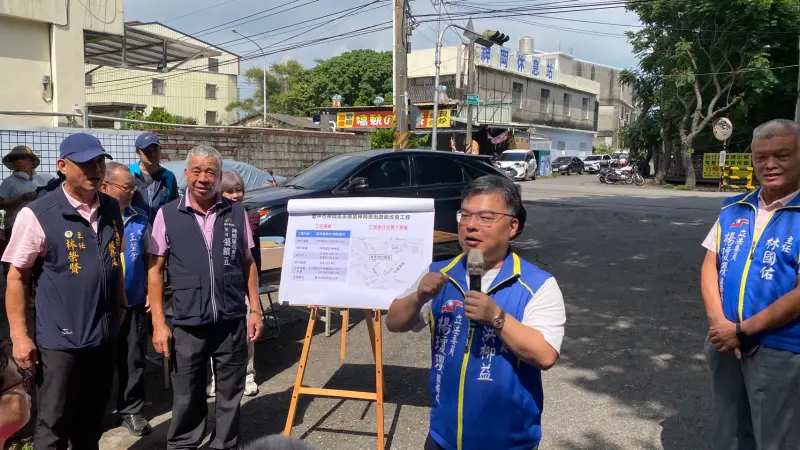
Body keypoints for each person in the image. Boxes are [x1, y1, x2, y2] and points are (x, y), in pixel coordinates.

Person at [385, 175, 566, 450]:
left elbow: (545, 354)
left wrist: (497, 318)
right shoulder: (439, 274)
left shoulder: (536, 284)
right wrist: (419, 296)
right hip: (442, 436)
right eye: (465, 215)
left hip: (509, 442)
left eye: (485, 217)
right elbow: (394, 322)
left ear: (512, 226)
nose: (470, 226)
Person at [3, 133, 126, 449]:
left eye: (99, 161)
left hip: (104, 335)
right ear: (62, 166)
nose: (94, 169)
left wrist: (121, 305)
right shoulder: (39, 214)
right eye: (85, 163)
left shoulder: (111, 208)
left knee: (92, 420)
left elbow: (114, 261)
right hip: (61, 341)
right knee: (54, 423)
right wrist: (19, 336)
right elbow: (16, 278)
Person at [148, 145, 264, 450]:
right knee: (187, 392)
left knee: (230, 391)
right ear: (186, 174)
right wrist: (159, 323)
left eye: (210, 171)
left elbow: (247, 262)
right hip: (188, 322)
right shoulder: (168, 214)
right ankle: (185, 443)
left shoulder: (235, 212)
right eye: (196, 170)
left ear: (218, 176)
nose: (203, 178)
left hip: (230, 320)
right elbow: (155, 270)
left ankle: (224, 444)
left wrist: (255, 310)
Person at [700, 118, 800, 449]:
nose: (770, 165)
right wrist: (720, 325)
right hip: (724, 343)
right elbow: (710, 264)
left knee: (776, 439)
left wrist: (743, 329)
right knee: (730, 432)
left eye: (782, 155)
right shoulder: (734, 207)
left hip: (781, 348)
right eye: (761, 157)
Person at [100, 162, 153, 436]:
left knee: (133, 359)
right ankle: (96, 413)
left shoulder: (140, 218)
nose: (132, 192)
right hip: (101, 306)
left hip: (134, 301)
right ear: (104, 187)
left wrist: (152, 294)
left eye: (133, 187)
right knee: (99, 362)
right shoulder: (94, 218)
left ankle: (131, 410)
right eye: (126, 187)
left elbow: (151, 259)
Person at [207, 171, 260, 398]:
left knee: (247, 332)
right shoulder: (209, 218)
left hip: (241, 286)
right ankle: (213, 378)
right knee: (213, 335)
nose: (236, 195)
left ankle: (248, 374)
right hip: (215, 286)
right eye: (229, 190)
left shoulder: (249, 216)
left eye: (239, 190)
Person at [0, 146, 54, 246]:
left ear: (32, 161)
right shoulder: (8, 182)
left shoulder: (45, 178)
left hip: (43, 225)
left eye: (22, 157)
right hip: (16, 226)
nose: (19, 161)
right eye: (15, 159)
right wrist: (22, 198)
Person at [128, 132, 179, 222]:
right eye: (147, 150)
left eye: (155, 149)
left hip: (160, 228)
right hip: (134, 229)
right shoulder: (129, 173)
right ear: (137, 152)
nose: (153, 154)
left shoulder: (168, 177)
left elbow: (173, 205)